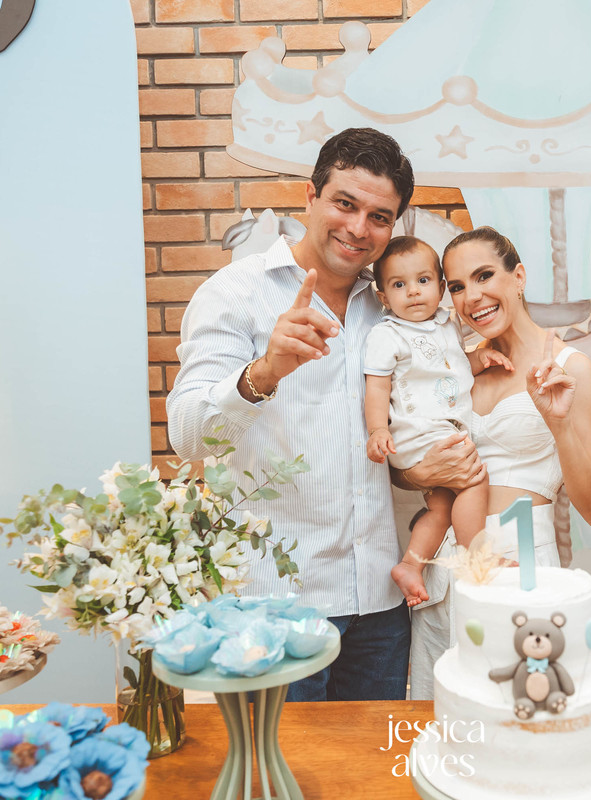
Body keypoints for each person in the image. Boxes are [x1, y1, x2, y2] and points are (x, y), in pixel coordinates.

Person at [166, 128, 482, 701]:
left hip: (380, 607)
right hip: (274, 608)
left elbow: (372, 446)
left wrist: (417, 472)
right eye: (345, 203)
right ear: (310, 196)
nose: (359, 228)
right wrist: (264, 373)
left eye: (379, 217)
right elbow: (188, 436)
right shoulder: (235, 294)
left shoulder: (390, 307)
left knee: (370, 761)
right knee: (274, 762)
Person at [405, 226, 591, 700]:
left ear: (518, 277)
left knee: (515, 707)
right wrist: (417, 473)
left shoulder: (570, 368)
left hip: (520, 561)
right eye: (457, 286)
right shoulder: (456, 369)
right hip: (447, 562)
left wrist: (559, 425)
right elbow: (410, 459)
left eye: (484, 276)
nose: (472, 297)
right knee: (439, 710)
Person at [363, 236, 513, 607]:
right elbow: (377, 387)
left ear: (441, 288)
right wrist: (377, 429)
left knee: (442, 506)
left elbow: (453, 367)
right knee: (474, 479)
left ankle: (410, 565)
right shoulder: (388, 335)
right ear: (384, 297)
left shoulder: (447, 325)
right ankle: (476, 556)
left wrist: (480, 360)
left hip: (439, 431)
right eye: (399, 284)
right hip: (420, 432)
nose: (413, 291)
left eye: (423, 280)